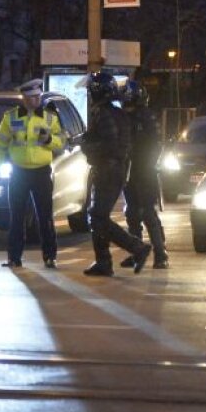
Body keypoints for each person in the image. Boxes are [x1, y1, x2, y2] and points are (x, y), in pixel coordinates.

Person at [80, 70, 151, 276]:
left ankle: (136, 248)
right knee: (97, 216)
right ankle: (103, 262)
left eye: (90, 90)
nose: (89, 94)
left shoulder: (103, 114)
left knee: (98, 216)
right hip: (114, 170)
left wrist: (86, 146)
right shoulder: (117, 113)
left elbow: (109, 145)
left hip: (108, 170)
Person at [0, 78, 64, 269]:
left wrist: (49, 140)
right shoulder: (11, 117)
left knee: (45, 216)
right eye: (31, 97)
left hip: (41, 172)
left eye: (38, 96)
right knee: (16, 217)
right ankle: (14, 258)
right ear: (24, 98)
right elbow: (0, 143)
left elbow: (61, 143)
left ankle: (50, 256)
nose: (35, 100)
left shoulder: (49, 117)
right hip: (19, 172)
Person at [119, 80, 169, 270]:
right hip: (130, 170)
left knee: (148, 212)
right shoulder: (124, 117)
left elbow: (156, 145)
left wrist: (145, 163)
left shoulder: (147, 117)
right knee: (132, 213)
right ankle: (136, 251)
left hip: (144, 171)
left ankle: (160, 253)